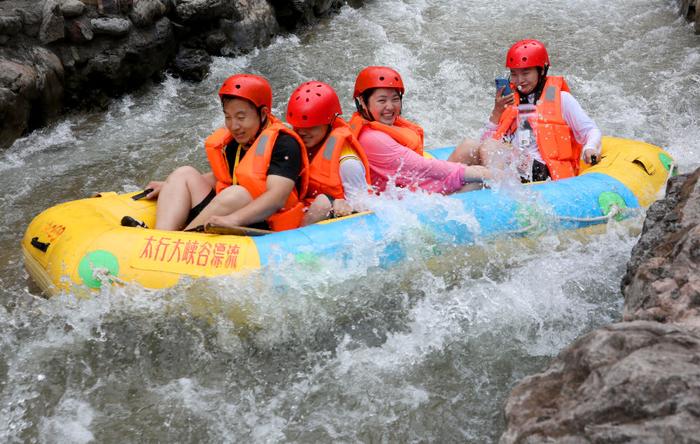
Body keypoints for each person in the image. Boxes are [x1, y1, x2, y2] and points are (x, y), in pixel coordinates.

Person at [146, 74, 308, 232]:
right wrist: (171, 187)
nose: (234, 126)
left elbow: (277, 198)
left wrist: (233, 219)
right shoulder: (235, 143)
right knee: (183, 174)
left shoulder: (284, 145)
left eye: (241, 117)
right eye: (228, 117)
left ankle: (183, 241)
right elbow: (225, 176)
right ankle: (161, 238)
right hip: (225, 212)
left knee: (237, 193)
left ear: (263, 113)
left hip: (264, 222)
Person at [451, 39, 602, 182]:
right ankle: (438, 184)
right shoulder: (511, 101)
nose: (519, 80)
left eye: (525, 73)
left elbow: (590, 130)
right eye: (514, 74)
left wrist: (590, 148)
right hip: (514, 164)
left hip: (544, 170)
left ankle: (494, 188)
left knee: (492, 146)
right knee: (468, 146)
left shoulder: (561, 99)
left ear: (541, 71)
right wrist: (497, 113)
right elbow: (484, 143)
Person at [349, 66, 491, 195]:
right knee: (476, 183)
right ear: (362, 102)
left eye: (395, 99)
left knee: (469, 146)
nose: (390, 107)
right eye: (382, 100)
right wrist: (479, 173)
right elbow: (421, 167)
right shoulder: (371, 138)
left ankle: (500, 181)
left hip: (409, 185)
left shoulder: (385, 124)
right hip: (395, 200)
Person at [286, 81, 371, 225]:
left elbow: (363, 213)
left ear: (329, 122)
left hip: (327, 219)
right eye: (298, 126)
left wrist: (345, 207)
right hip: (301, 209)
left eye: (311, 127)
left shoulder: (348, 164)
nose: (302, 132)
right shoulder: (290, 143)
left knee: (322, 203)